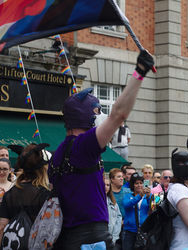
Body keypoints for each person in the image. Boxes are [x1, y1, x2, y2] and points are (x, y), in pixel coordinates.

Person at [48, 50, 154, 250]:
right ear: (85, 117)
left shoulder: (59, 153)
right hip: (91, 238)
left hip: (67, 238)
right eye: (97, 111)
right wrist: (139, 72)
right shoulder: (83, 146)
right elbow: (118, 115)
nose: (101, 116)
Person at [0, 143, 51, 245]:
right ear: (42, 168)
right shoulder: (46, 194)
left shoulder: (9, 195)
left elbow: (2, 227)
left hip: (14, 244)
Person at [122, 172, 151, 250]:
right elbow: (127, 205)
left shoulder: (148, 196)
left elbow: (152, 209)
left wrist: (149, 198)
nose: (139, 185)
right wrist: (139, 196)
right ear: (132, 185)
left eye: (141, 183)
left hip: (144, 231)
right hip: (129, 231)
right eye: (136, 183)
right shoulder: (127, 196)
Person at [104, 177, 122, 248]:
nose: (106, 187)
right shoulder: (94, 202)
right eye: (104, 185)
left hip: (112, 238)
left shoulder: (113, 202)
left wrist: (114, 237)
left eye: (108, 185)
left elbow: (118, 218)